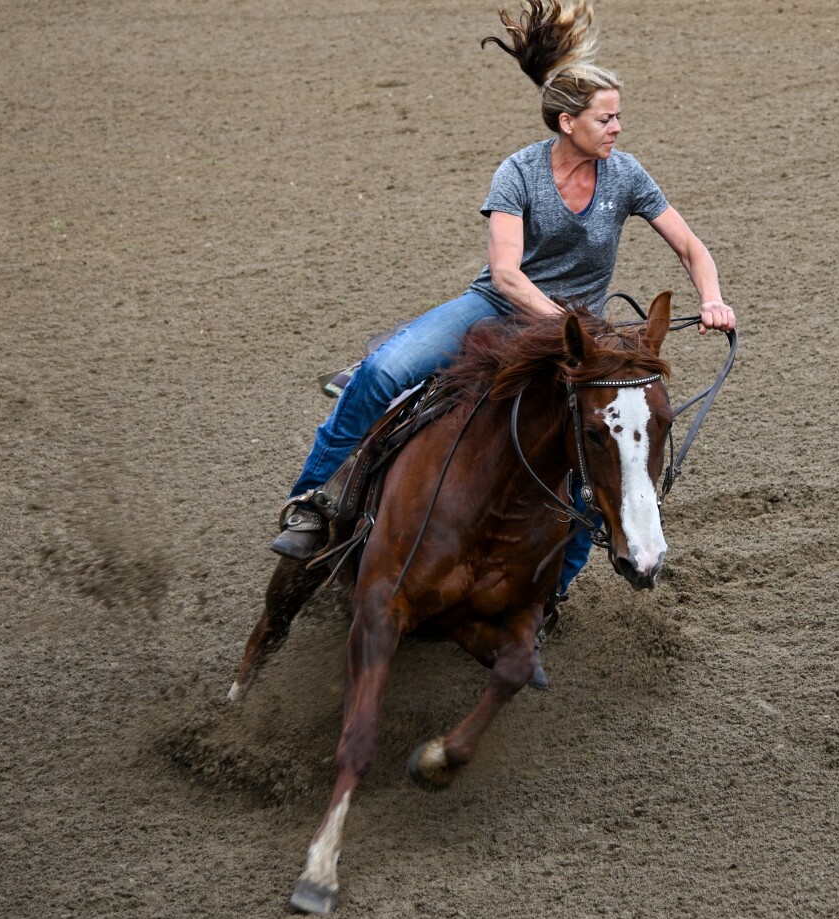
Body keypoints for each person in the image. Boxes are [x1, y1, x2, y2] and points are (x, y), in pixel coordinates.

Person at [272, 0, 735, 611]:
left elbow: (689, 245)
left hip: (576, 335)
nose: (618, 128)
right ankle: (312, 503)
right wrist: (566, 327)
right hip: (498, 310)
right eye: (607, 118)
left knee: (584, 477)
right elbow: (507, 275)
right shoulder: (517, 173)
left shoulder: (625, 175)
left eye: (619, 117)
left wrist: (712, 299)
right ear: (569, 123)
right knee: (385, 370)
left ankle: (550, 598)